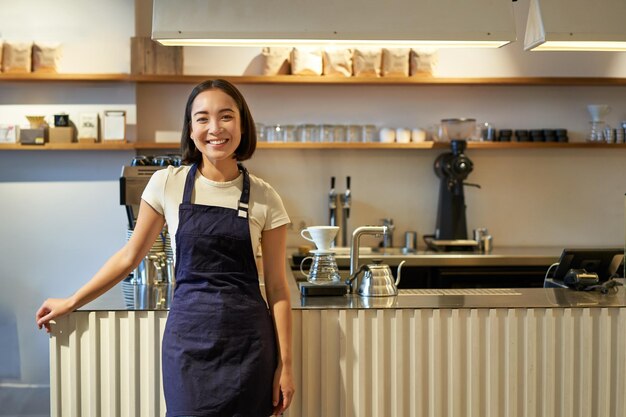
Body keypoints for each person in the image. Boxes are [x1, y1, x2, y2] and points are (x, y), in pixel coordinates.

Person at [36, 79, 295, 417]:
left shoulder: (265, 196)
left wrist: (286, 366)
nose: (215, 128)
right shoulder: (167, 184)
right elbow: (129, 257)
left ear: (243, 125)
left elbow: (277, 288)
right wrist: (72, 300)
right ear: (190, 130)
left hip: (248, 347)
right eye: (202, 118)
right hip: (187, 345)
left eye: (226, 117)